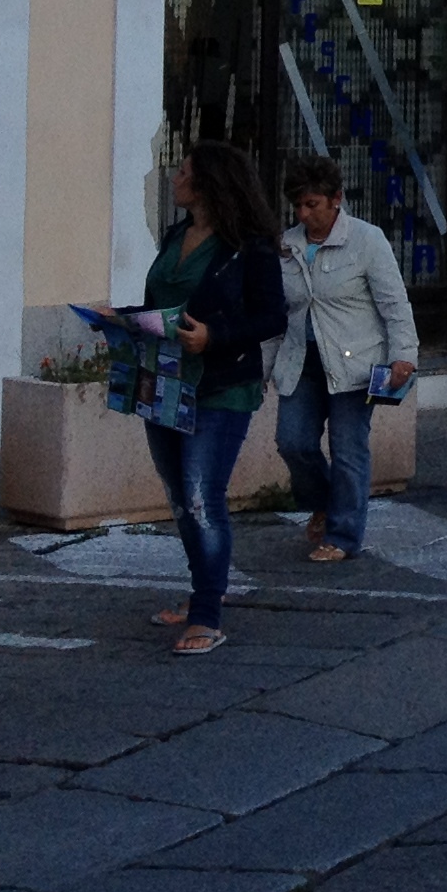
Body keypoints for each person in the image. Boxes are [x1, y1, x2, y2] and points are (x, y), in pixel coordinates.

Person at [141, 142, 288, 655]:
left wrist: (215, 337)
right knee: (181, 497)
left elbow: (273, 317)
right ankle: (200, 588)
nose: (175, 179)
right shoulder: (176, 234)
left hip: (222, 386)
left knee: (204, 497)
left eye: (182, 172)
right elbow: (160, 300)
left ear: (206, 184)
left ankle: (207, 614)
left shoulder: (249, 247)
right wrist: (123, 321)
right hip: (162, 380)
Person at [273, 154, 418, 566]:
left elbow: (394, 303)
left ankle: (343, 534)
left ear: (336, 199)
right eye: (298, 206)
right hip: (302, 360)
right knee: (293, 441)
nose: (304, 214)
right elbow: (280, 312)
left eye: (312, 205)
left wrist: (403, 356)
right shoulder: (289, 245)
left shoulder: (367, 240)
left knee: (348, 447)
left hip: (355, 364)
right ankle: (323, 502)